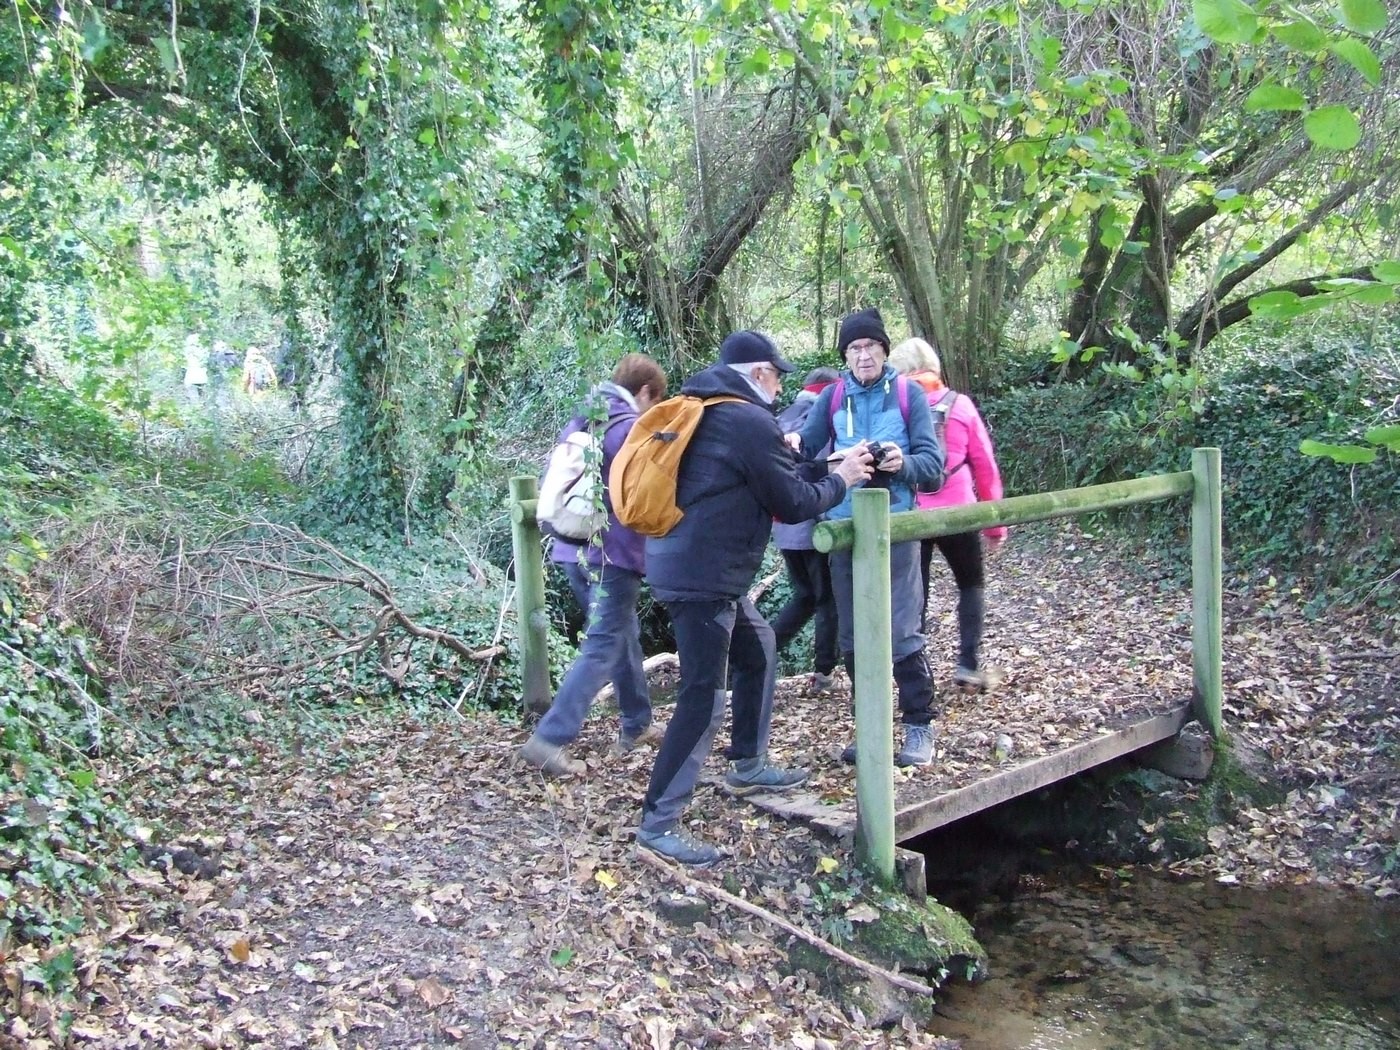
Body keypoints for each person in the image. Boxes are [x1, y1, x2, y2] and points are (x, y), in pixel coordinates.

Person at [637, 331, 874, 866]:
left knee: (759, 647)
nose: (781, 384)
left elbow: (770, 476)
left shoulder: (703, 407)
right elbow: (792, 503)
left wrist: (824, 463)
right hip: (705, 576)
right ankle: (658, 823)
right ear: (761, 374)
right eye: (778, 374)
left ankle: (747, 763)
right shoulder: (745, 418)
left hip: (693, 565)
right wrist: (846, 479)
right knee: (702, 695)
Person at [797, 307, 944, 768]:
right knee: (853, 637)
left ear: (884, 349)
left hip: (896, 527)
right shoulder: (833, 397)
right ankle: (871, 728)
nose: (863, 356)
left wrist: (904, 463)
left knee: (900, 631)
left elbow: (933, 468)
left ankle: (919, 727)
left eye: (871, 347)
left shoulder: (908, 396)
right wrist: (834, 466)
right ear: (846, 354)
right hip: (846, 530)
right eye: (855, 348)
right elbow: (806, 456)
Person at [517, 354, 669, 776]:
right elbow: (641, 490)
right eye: (655, 402)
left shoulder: (583, 419)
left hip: (572, 550)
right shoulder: (624, 428)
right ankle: (550, 738)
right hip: (610, 555)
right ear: (644, 393)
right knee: (604, 643)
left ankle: (637, 723)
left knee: (623, 635)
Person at [889, 337, 1007, 693]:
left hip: (913, 515)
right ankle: (968, 665)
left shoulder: (897, 406)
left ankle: (915, 673)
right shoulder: (961, 405)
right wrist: (995, 526)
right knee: (970, 584)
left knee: (915, 594)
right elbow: (985, 467)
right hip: (958, 512)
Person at [770, 366, 841, 694]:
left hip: (785, 527)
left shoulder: (783, 417)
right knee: (827, 599)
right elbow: (827, 469)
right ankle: (824, 672)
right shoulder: (824, 418)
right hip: (817, 524)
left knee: (805, 596)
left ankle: (761, 652)